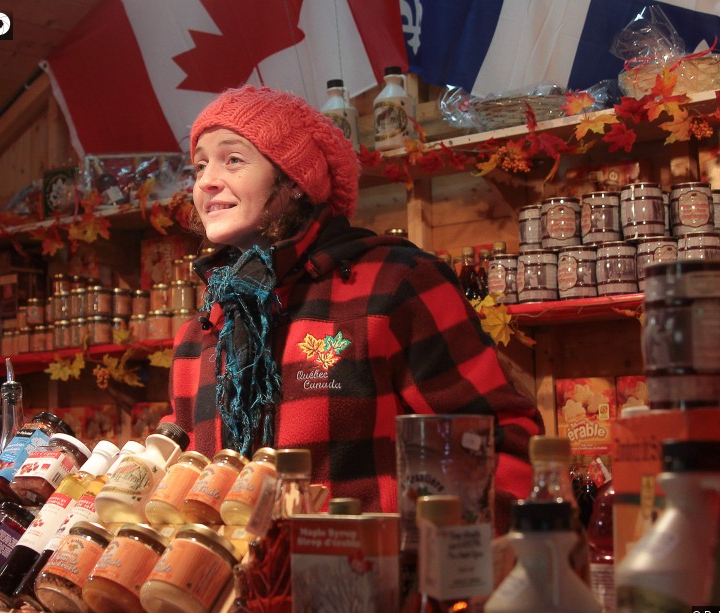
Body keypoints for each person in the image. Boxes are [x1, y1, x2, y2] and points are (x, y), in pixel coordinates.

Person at [164, 85, 543, 528]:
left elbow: (499, 441)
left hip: (373, 582)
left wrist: (432, 566)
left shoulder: (395, 283)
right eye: (201, 164)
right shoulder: (203, 331)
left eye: (233, 159)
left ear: (295, 179)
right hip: (239, 591)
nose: (206, 180)